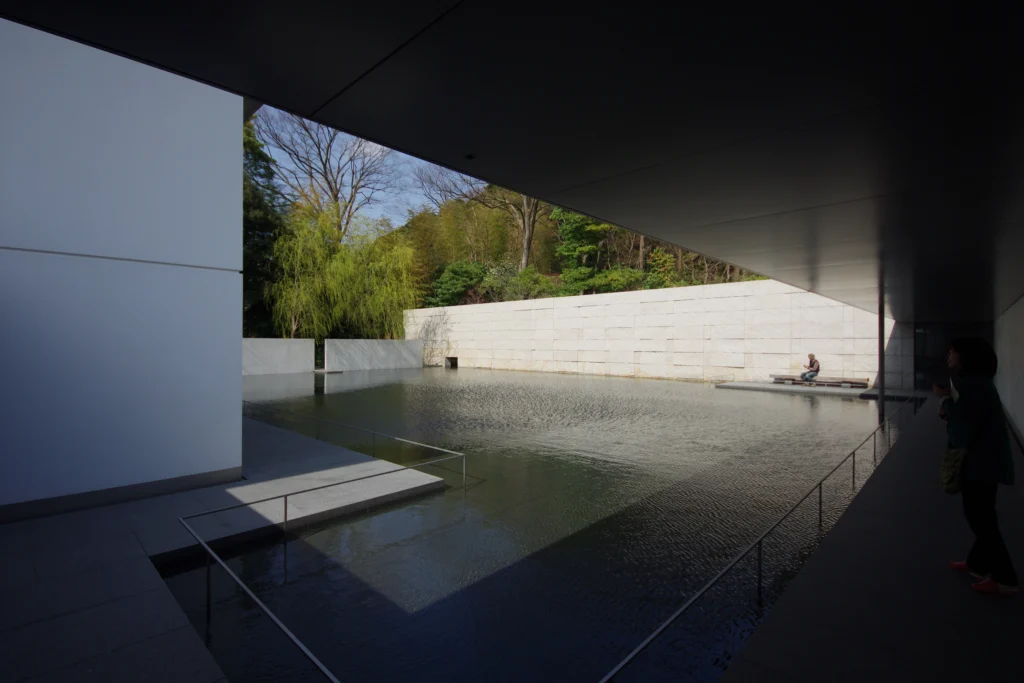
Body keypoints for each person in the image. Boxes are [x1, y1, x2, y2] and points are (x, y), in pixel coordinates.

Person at [935, 337, 1017, 595]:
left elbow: (961, 430)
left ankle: (1006, 578)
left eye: (953, 351)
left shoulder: (973, 387)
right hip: (986, 461)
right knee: (982, 516)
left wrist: (945, 401)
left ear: (966, 356)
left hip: (981, 464)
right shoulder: (978, 384)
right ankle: (977, 564)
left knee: (981, 519)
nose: (949, 355)